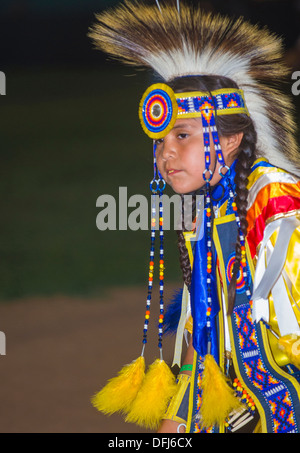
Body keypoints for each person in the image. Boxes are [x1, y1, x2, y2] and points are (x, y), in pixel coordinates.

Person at [89, 1, 300, 433]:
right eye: (160, 141)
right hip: (229, 394)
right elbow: (199, 318)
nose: (166, 154)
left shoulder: (273, 198)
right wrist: (178, 413)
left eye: (182, 136)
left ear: (230, 140)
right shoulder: (200, 207)